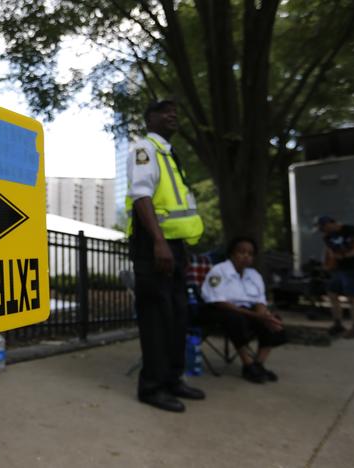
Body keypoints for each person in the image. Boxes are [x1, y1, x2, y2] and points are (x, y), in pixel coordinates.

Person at [126, 99, 205, 413]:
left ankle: (173, 379)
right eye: (164, 111)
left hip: (173, 247)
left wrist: (177, 245)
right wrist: (159, 241)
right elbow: (141, 195)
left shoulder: (170, 155)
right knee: (157, 318)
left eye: (176, 110)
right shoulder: (145, 149)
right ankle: (152, 387)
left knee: (177, 316)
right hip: (153, 245)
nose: (173, 114)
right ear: (150, 119)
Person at [200, 237, 287, 384]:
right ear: (232, 254)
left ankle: (257, 365)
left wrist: (265, 315)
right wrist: (256, 315)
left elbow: (260, 301)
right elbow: (219, 302)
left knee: (272, 321)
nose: (246, 256)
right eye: (241, 252)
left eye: (250, 253)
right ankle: (247, 363)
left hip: (247, 311)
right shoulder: (219, 271)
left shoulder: (254, 275)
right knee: (234, 319)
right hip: (219, 310)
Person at [315, 215, 354, 338]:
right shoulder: (327, 237)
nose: (323, 231)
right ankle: (337, 324)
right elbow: (329, 251)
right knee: (332, 293)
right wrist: (327, 263)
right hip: (340, 270)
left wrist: (344, 256)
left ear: (330, 224)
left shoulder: (350, 230)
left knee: (352, 298)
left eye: (323, 227)